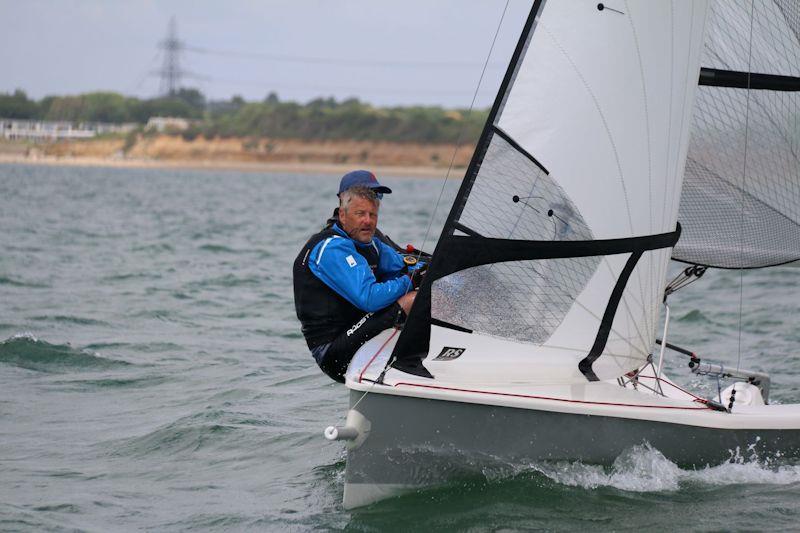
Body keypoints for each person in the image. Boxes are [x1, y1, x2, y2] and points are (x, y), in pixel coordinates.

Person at [293, 181, 425, 382]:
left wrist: (427, 270)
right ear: (343, 215)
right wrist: (408, 281)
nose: (368, 221)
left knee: (428, 286)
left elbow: (403, 264)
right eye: (360, 214)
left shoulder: (371, 243)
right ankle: (409, 367)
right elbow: (369, 298)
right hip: (332, 352)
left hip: (356, 330)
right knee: (412, 300)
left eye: (373, 215)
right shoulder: (331, 248)